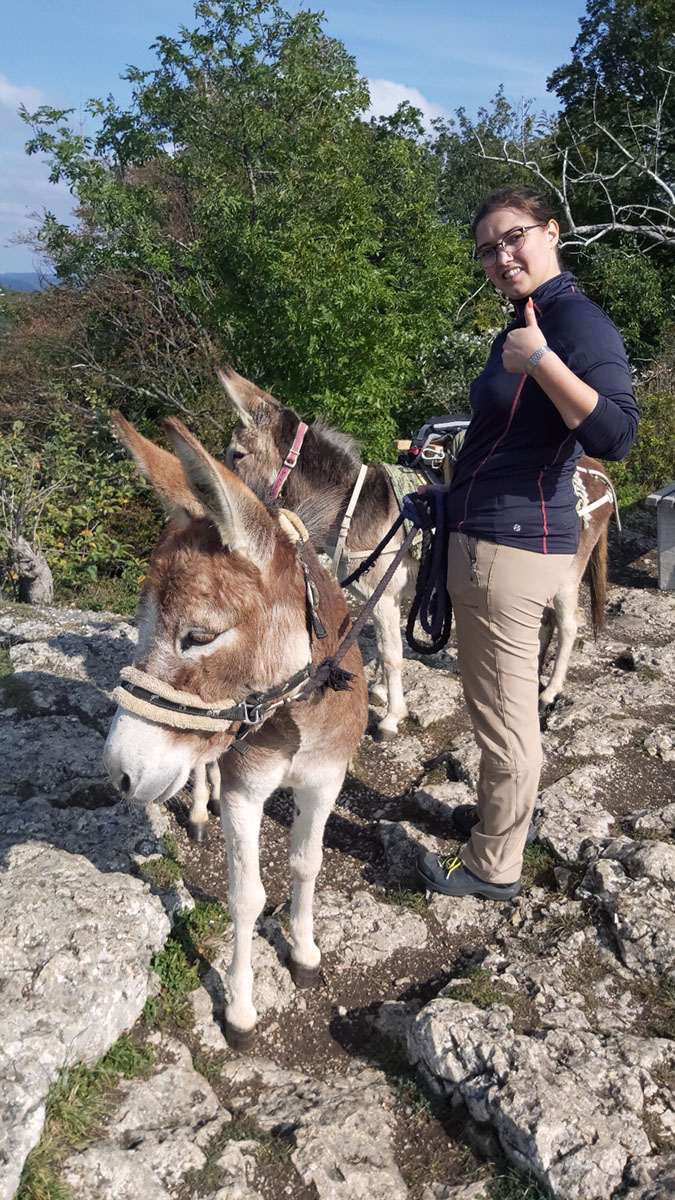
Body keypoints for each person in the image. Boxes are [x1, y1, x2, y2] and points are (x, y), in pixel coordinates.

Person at [417, 186, 639, 900]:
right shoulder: (530, 320)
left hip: (506, 552)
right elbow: (499, 439)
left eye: (513, 237)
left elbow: (616, 435)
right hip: (491, 533)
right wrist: (446, 496)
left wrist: (541, 358)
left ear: (551, 232)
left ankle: (491, 865)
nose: (501, 255)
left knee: (504, 722)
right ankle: (498, 820)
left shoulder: (573, 324)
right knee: (497, 707)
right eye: (487, 247)